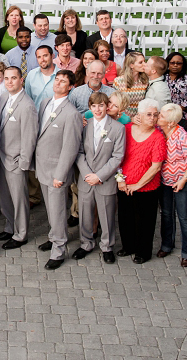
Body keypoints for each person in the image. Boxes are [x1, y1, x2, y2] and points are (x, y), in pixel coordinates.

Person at [34, 70, 83, 270]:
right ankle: (54, 236)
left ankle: (59, 251)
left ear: (70, 87)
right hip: (42, 167)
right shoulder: (45, 103)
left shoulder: (72, 114)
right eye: (57, 79)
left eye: (64, 81)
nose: (59, 83)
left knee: (58, 210)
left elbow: (70, 147)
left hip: (56, 172)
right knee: (51, 210)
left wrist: (61, 175)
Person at [71, 92, 126, 264]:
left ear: (106, 106)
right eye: (94, 106)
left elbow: (118, 156)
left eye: (101, 105)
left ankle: (107, 246)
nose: (98, 109)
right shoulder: (84, 127)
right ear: (90, 107)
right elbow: (79, 152)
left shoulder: (118, 128)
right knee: (85, 214)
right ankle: (86, 243)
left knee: (106, 215)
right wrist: (88, 174)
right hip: (86, 179)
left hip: (105, 179)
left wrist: (99, 176)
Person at [116, 98, 165, 264]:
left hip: (147, 188)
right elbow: (116, 157)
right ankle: (128, 246)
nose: (152, 118)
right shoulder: (127, 129)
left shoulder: (158, 137)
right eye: (149, 114)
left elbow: (155, 167)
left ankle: (143, 252)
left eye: (155, 115)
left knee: (145, 221)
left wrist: (137, 185)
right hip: (123, 183)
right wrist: (121, 180)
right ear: (140, 115)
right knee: (125, 217)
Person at [0, 66, 37, 250]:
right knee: (5, 197)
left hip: (15, 160)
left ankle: (21, 234)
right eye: (6, 78)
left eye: (13, 78)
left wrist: (23, 163)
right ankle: (10, 226)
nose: (9, 82)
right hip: (1, 157)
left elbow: (29, 136)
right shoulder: (4, 97)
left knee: (19, 199)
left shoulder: (27, 105)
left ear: (21, 80)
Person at [156, 103, 187, 267]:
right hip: (166, 181)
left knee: (184, 216)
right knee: (166, 213)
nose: (157, 117)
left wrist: (182, 180)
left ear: (171, 122)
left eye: (161, 116)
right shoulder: (161, 131)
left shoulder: (181, 136)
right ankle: (167, 245)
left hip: (186, 182)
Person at [165, 52, 187, 133]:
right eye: (172, 63)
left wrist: (171, 110)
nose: (175, 65)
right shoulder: (162, 78)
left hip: (182, 118)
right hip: (164, 117)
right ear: (168, 64)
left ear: (183, 65)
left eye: (179, 63)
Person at [113, 53, 149, 117]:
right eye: (140, 62)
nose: (144, 64)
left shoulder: (146, 80)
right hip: (124, 118)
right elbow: (116, 104)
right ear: (131, 65)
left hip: (141, 117)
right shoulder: (118, 81)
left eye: (144, 61)